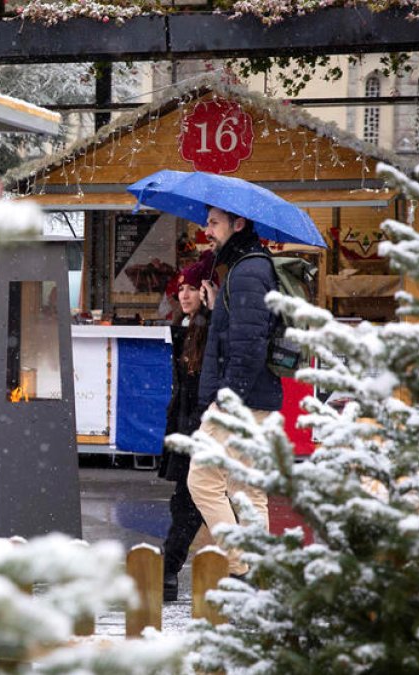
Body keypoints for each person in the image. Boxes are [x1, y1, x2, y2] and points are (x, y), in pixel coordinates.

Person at [188, 206, 283, 579]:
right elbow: (244, 334)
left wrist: (227, 401)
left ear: (238, 224)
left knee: (202, 480)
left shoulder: (248, 272)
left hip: (240, 401)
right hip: (258, 398)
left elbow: (248, 347)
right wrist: (217, 308)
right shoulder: (249, 268)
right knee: (247, 490)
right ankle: (258, 574)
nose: (207, 230)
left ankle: (240, 568)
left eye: (214, 223)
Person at [158, 251, 217, 601]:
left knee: (191, 501)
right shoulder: (188, 327)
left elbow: (200, 386)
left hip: (198, 425)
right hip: (187, 422)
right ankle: (169, 568)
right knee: (189, 501)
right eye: (182, 288)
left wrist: (194, 422)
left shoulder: (207, 330)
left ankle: (169, 568)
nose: (184, 294)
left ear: (206, 292)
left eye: (192, 288)